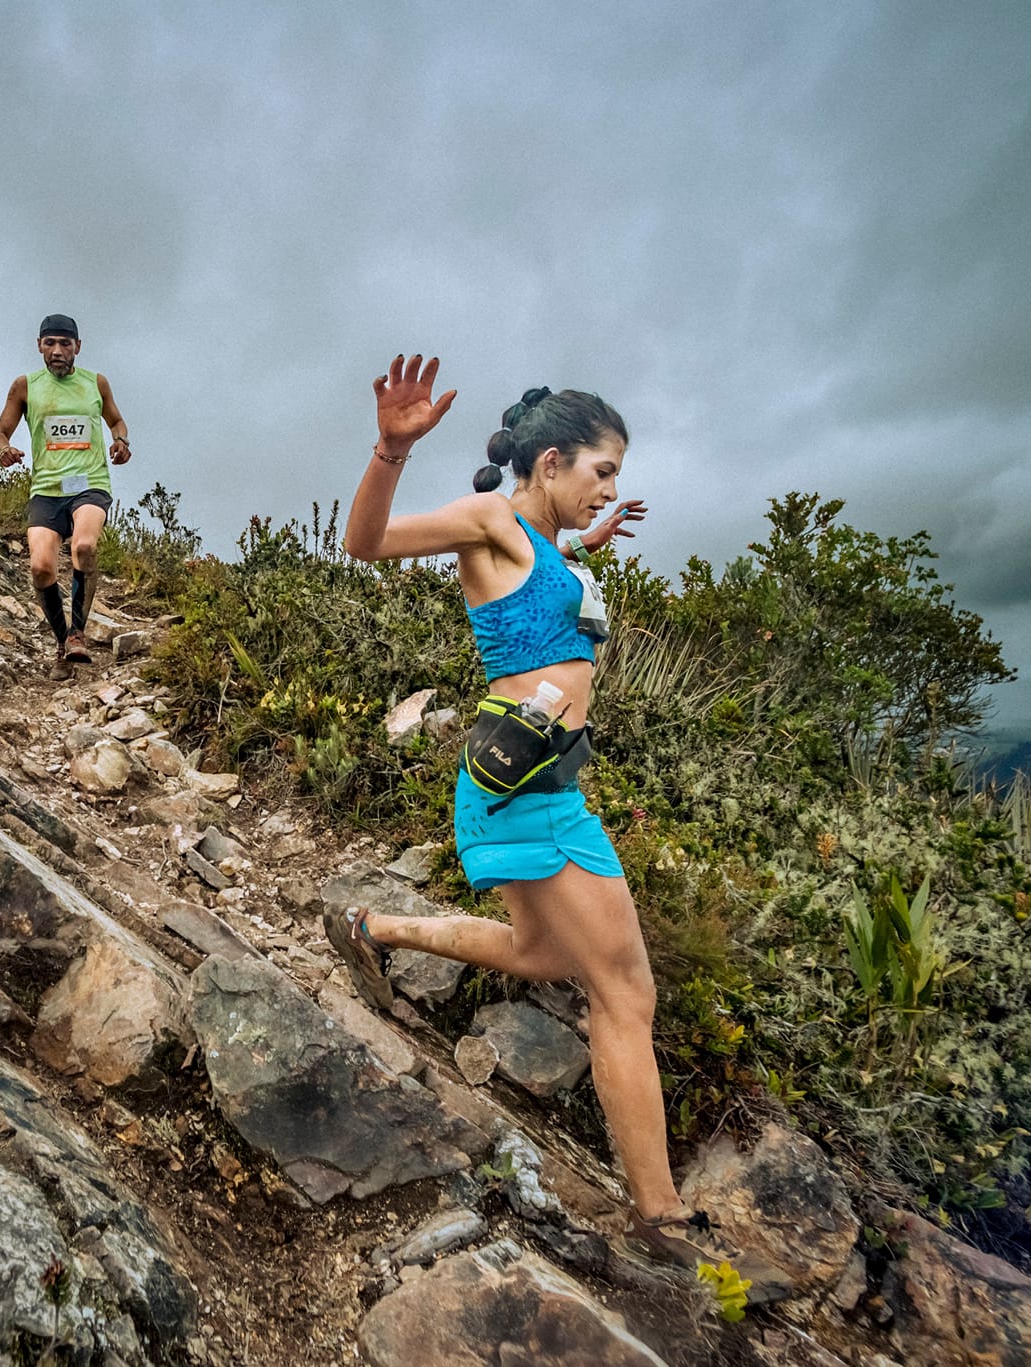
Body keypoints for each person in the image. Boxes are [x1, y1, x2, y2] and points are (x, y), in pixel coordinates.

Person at [324, 353, 751, 1276]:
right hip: (532, 788)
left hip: (537, 782)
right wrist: (390, 451)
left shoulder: (539, 539)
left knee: (546, 956)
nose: (611, 485)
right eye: (603, 470)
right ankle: (663, 1217)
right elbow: (366, 543)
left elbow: (540, 594)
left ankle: (376, 925)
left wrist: (590, 538)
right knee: (625, 994)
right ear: (550, 461)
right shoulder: (489, 519)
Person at [0, 314, 132, 680]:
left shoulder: (95, 383)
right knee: (41, 567)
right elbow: (0, 433)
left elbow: (116, 420)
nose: (57, 351)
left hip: (90, 483)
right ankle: (62, 643)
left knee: (84, 547)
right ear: (39, 345)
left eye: (65, 344)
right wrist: (5, 450)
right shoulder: (25, 386)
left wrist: (121, 440)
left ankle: (79, 632)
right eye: (49, 343)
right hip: (47, 489)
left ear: (78, 347)